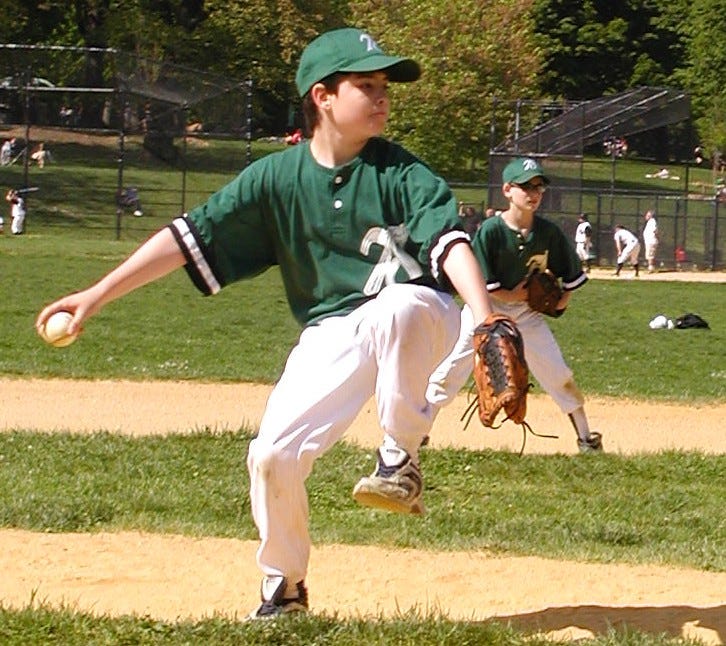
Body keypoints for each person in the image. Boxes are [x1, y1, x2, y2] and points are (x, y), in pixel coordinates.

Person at [36, 27, 492, 619]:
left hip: (423, 316)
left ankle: (399, 457)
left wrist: (483, 319)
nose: (382, 96)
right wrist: (97, 295)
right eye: (366, 85)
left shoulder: (401, 172)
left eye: (385, 86)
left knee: (398, 305)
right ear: (323, 96)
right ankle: (284, 587)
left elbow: (449, 242)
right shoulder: (276, 177)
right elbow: (187, 237)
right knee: (272, 456)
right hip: (333, 331)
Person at [426, 158, 602, 454]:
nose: (534, 193)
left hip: (527, 316)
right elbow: (483, 285)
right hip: (484, 308)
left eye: (539, 187)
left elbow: (571, 279)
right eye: (525, 186)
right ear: (508, 190)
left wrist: (557, 302)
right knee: (452, 368)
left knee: (557, 372)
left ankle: (586, 437)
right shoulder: (492, 231)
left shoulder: (549, 233)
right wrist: (513, 296)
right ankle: (418, 434)